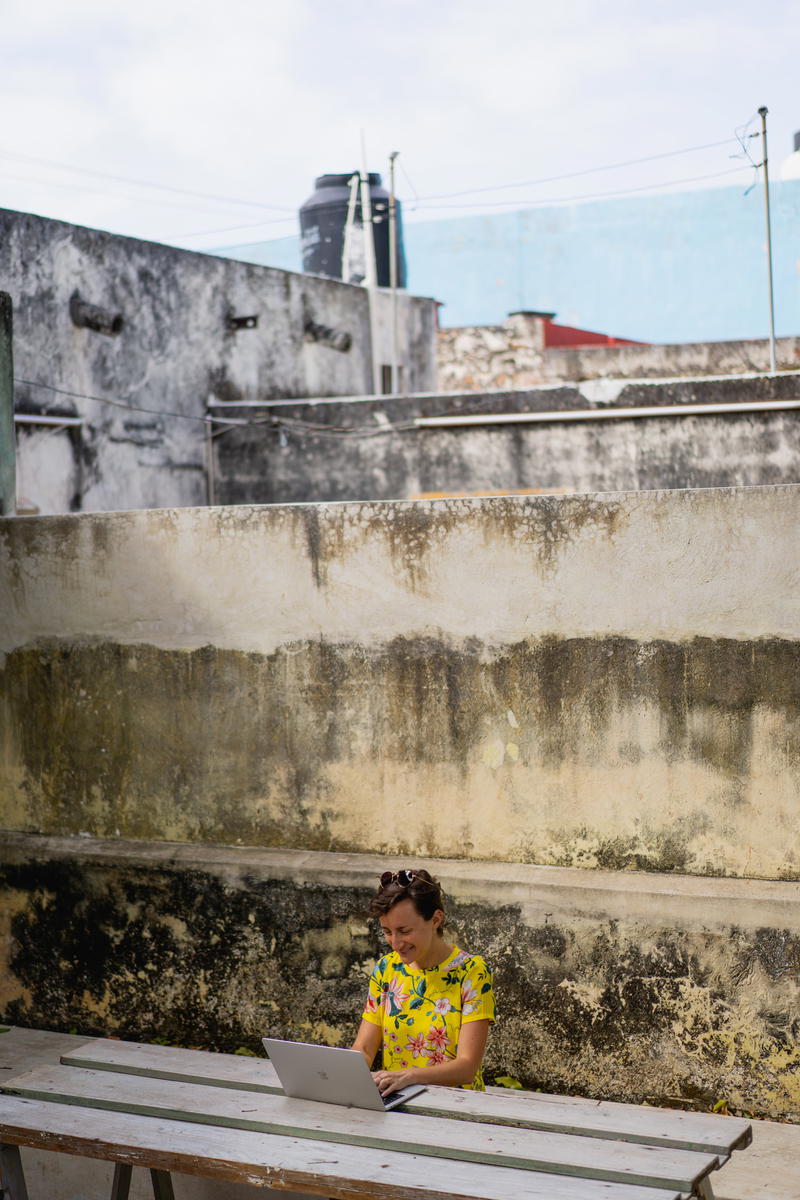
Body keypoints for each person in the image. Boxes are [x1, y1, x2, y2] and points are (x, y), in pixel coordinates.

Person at [353, 868, 495, 1097]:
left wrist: (409, 1076)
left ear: (436, 920)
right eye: (387, 932)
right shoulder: (386, 969)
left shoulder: (472, 973)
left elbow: (467, 1067)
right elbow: (364, 1049)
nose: (396, 943)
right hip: (397, 1101)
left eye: (404, 931)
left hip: (457, 1105)